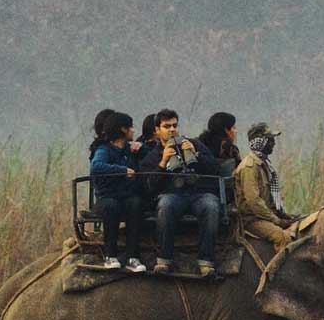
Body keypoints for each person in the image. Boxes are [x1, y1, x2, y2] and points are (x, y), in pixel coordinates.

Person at [137, 109, 224, 277]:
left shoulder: (194, 143)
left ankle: (206, 262)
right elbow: (149, 188)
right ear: (157, 130)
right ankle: (164, 260)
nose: (172, 130)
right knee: (166, 206)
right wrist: (162, 163)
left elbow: (215, 168)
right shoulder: (152, 156)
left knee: (211, 206)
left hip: (199, 193)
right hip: (171, 195)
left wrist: (196, 154)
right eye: (166, 126)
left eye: (174, 125)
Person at [88, 109, 146, 272]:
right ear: (123, 129)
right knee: (111, 206)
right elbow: (96, 167)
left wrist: (142, 148)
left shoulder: (130, 149)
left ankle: (133, 257)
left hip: (126, 196)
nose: (134, 131)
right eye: (131, 127)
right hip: (107, 197)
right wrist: (122, 170)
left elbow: (150, 157)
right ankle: (110, 255)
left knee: (135, 203)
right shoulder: (104, 150)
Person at [233, 122, 299, 251]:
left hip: (264, 215)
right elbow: (254, 201)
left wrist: (282, 214)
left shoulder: (264, 164)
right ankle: (280, 271)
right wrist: (276, 220)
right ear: (260, 141)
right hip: (252, 220)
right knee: (282, 237)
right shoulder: (249, 167)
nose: (273, 143)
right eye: (270, 140)